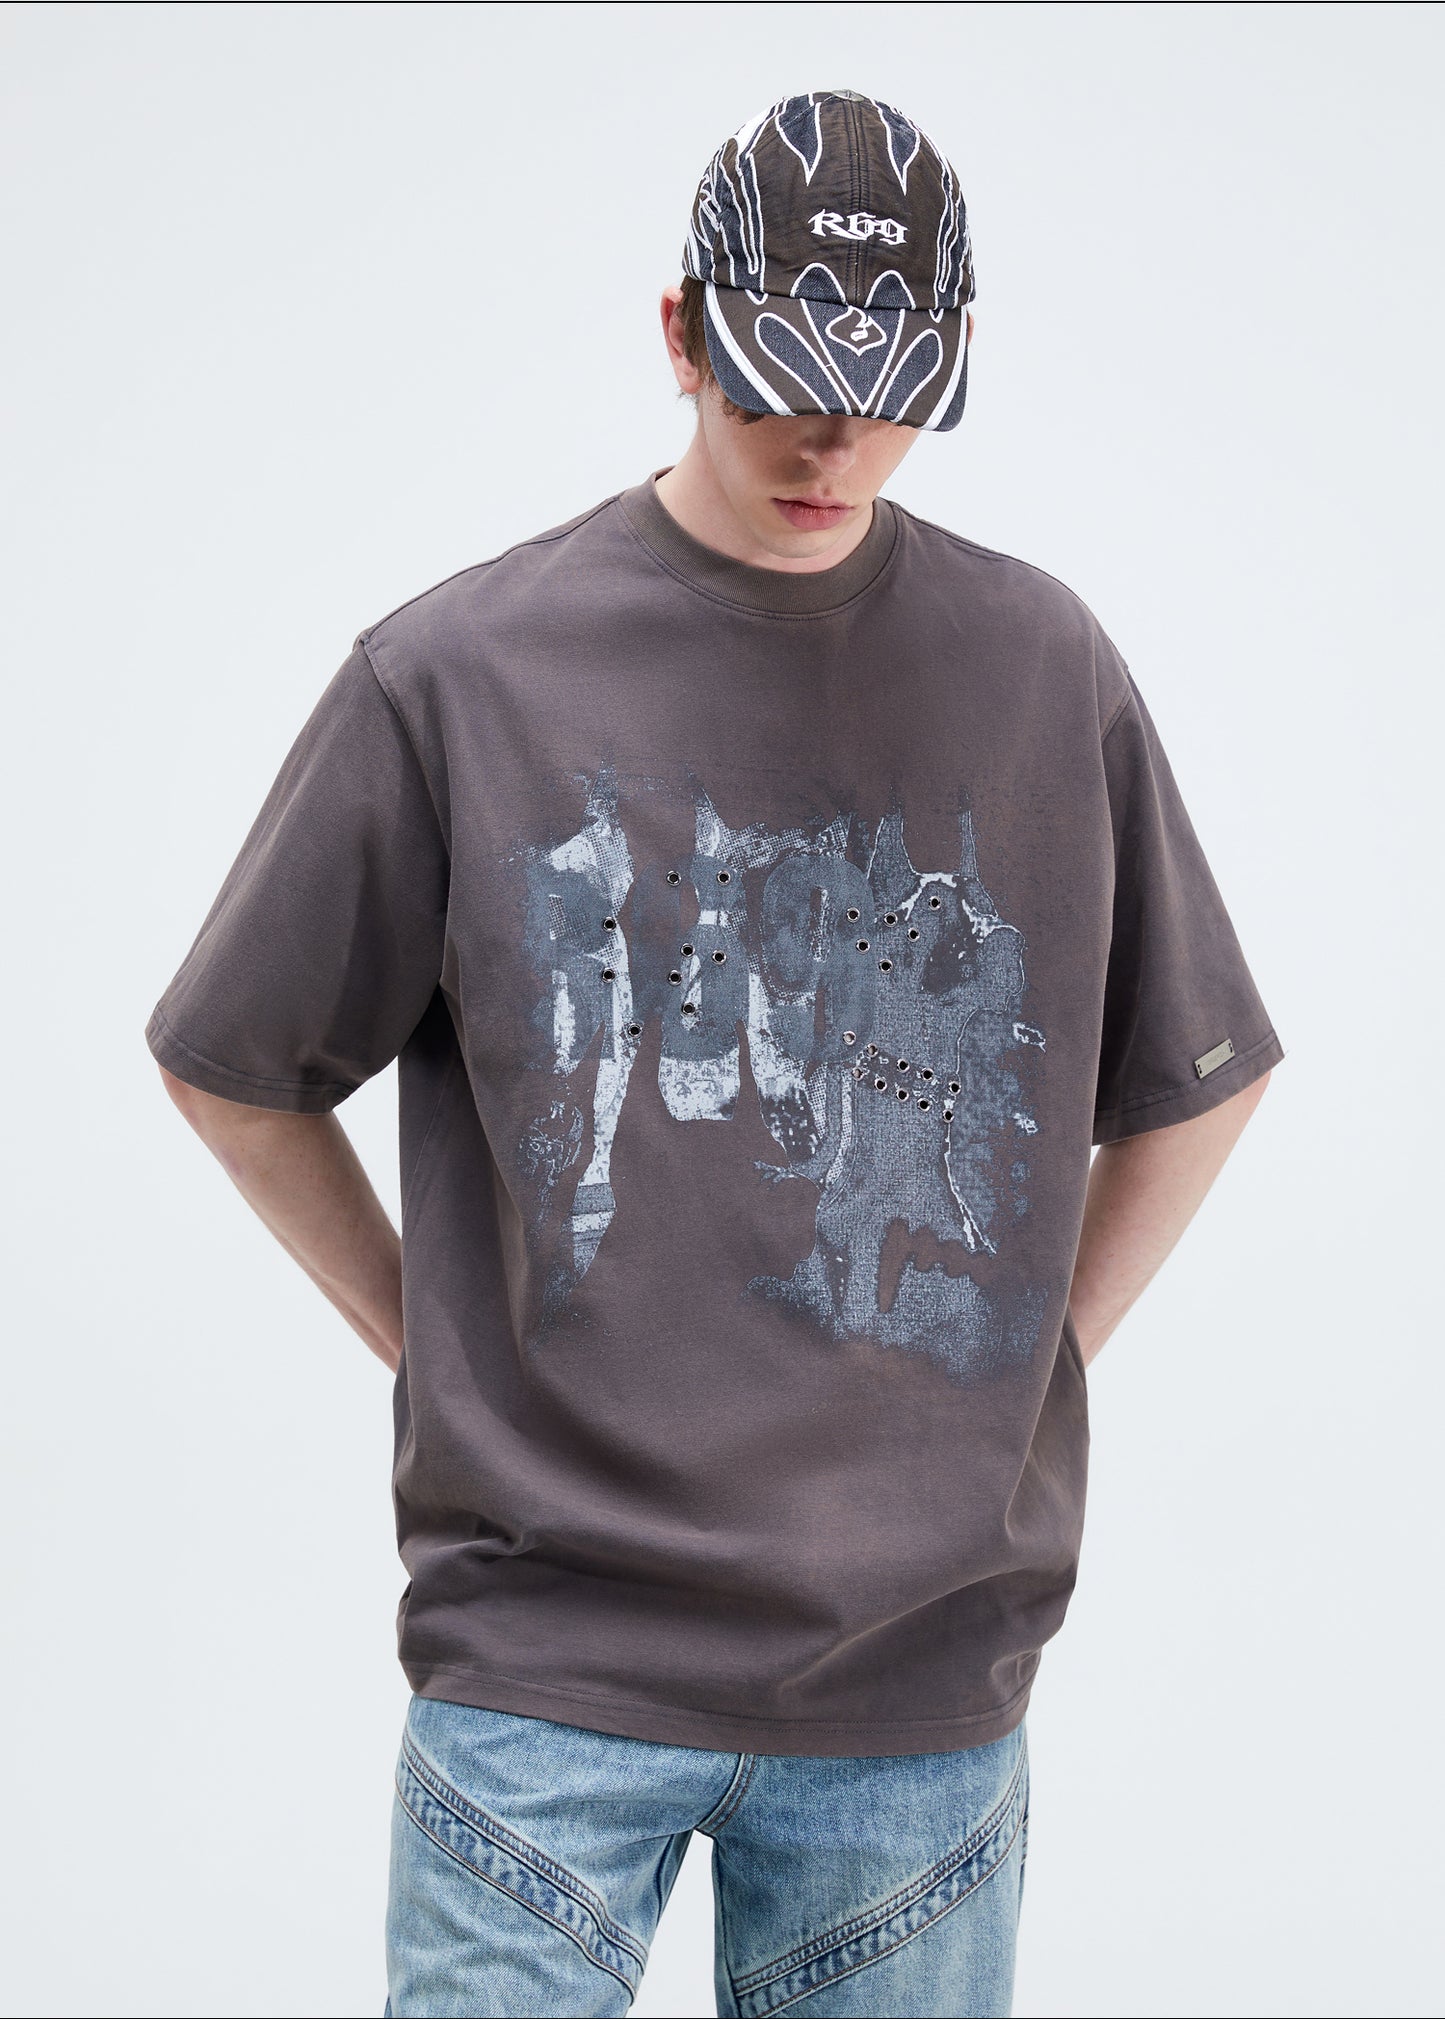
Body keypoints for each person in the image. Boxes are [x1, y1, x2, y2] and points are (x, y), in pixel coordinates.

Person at [145, 87, 1283, 2019]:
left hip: (914, 1694)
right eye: (779, 387)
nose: (831, 445)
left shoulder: (1043, 668)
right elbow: (232, 1067)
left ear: (954, 358)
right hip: (542, 1673)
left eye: (886, 395)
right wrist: (436, 1341)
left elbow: (1204, 1071)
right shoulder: (461, 675)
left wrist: (1040, 1357)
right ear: (679, 333)